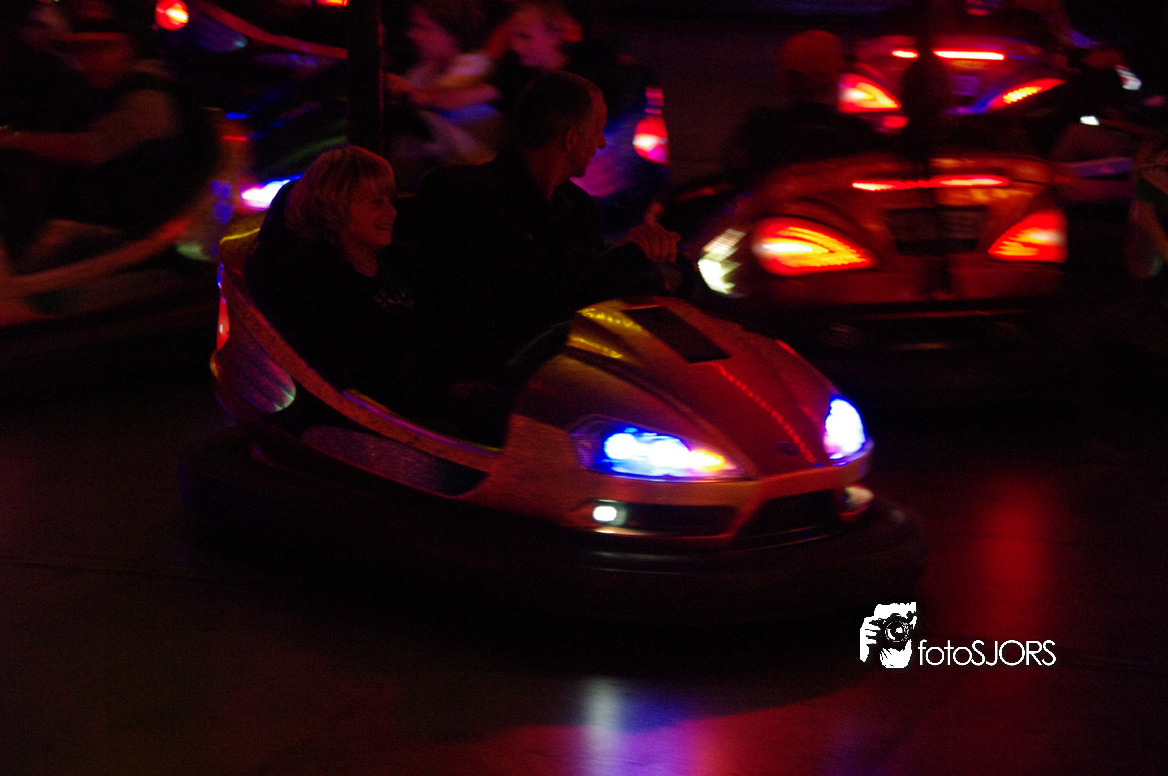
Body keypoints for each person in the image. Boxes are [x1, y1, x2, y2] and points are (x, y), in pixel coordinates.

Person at [404, 70, 678, 440]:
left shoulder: (577, 208)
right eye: (597, 130)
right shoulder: (464, 195)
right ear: (570, 138)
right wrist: (447, 379)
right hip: (486, 385)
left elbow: (588, 290)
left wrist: (643, 257)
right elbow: (449, 299)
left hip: (556, 377)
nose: (601, 142)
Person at [0, 12, 211, 272]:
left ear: (128, 48)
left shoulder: (150, 94)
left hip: (147, 236)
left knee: (51, 238)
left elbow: (92, 148)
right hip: (112, 215)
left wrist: (14, 140)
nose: (92, 60)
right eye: (82, 51)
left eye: (104, 48)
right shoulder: (87, 89)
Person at [246, 146, 424, 414]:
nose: (392, 211)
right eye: (376, 202)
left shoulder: (399, 263)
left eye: (390, 199)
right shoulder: (316, 286)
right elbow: (350, 384)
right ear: (335, 208)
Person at [723, 30, 879, 188]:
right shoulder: (857, 135)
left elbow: (737, 176)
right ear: (834, 75)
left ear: (784, 77)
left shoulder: (759, 128)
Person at [382, 0, 502, 188]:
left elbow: (435, 97)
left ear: (452, 32)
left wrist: (405, 93)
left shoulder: (476, 66)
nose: (413, 35)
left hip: (474, 180)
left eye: (423, 28)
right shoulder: (423, 71)